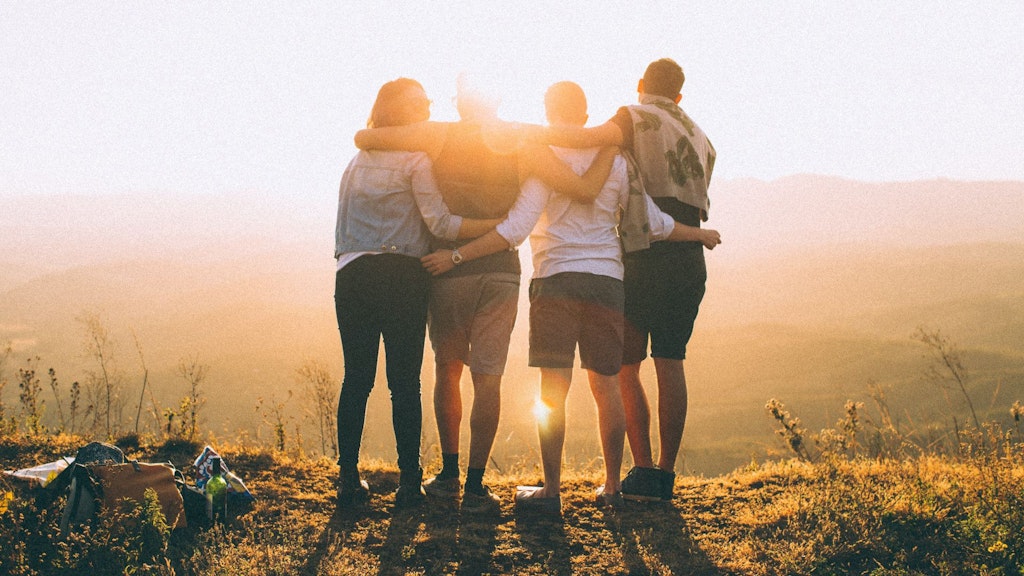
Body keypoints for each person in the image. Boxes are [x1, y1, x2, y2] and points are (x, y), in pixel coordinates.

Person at [421, 81, 720, 515]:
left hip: (555, 280)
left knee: (553, 391)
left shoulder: (542, 158)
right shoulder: (617, 160)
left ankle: (552, 491)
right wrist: (699, 234)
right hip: (607, 282)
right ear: (585, 116)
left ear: (548, 111)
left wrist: (457, 255)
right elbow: (653, 222)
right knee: (607, 387)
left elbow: (515, 229)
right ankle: (613, 487)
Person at [354, 75, 617, 516]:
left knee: (448, 368)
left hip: (447, 270)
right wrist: (609, 144)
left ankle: (449, 474)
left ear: (459, 103)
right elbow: (575, 185)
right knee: (488, 377)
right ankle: (476, 486)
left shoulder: (438, 134)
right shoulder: (521, 139)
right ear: (497, 98)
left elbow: (367, 136)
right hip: (501, 271)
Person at [541, 58, 718, 502]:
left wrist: (525, 137)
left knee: (625, 366)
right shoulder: (701, 136)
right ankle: (664, 474)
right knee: (672, 361)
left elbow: (583, 139)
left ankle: (638, 470)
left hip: (643, 254)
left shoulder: (632, 116)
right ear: (679, 95)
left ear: (641, 85)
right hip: (688, 256)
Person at [333, 78, 501, 511]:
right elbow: (442, 225)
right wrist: (495, 226)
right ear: (401, 112)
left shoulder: (355, 161)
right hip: (402, 276)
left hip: (352, 275)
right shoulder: (416, 160)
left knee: (356, 380)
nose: (428, 106)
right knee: (403, 384)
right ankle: (409, 484)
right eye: (419, 102)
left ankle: (348, 480)